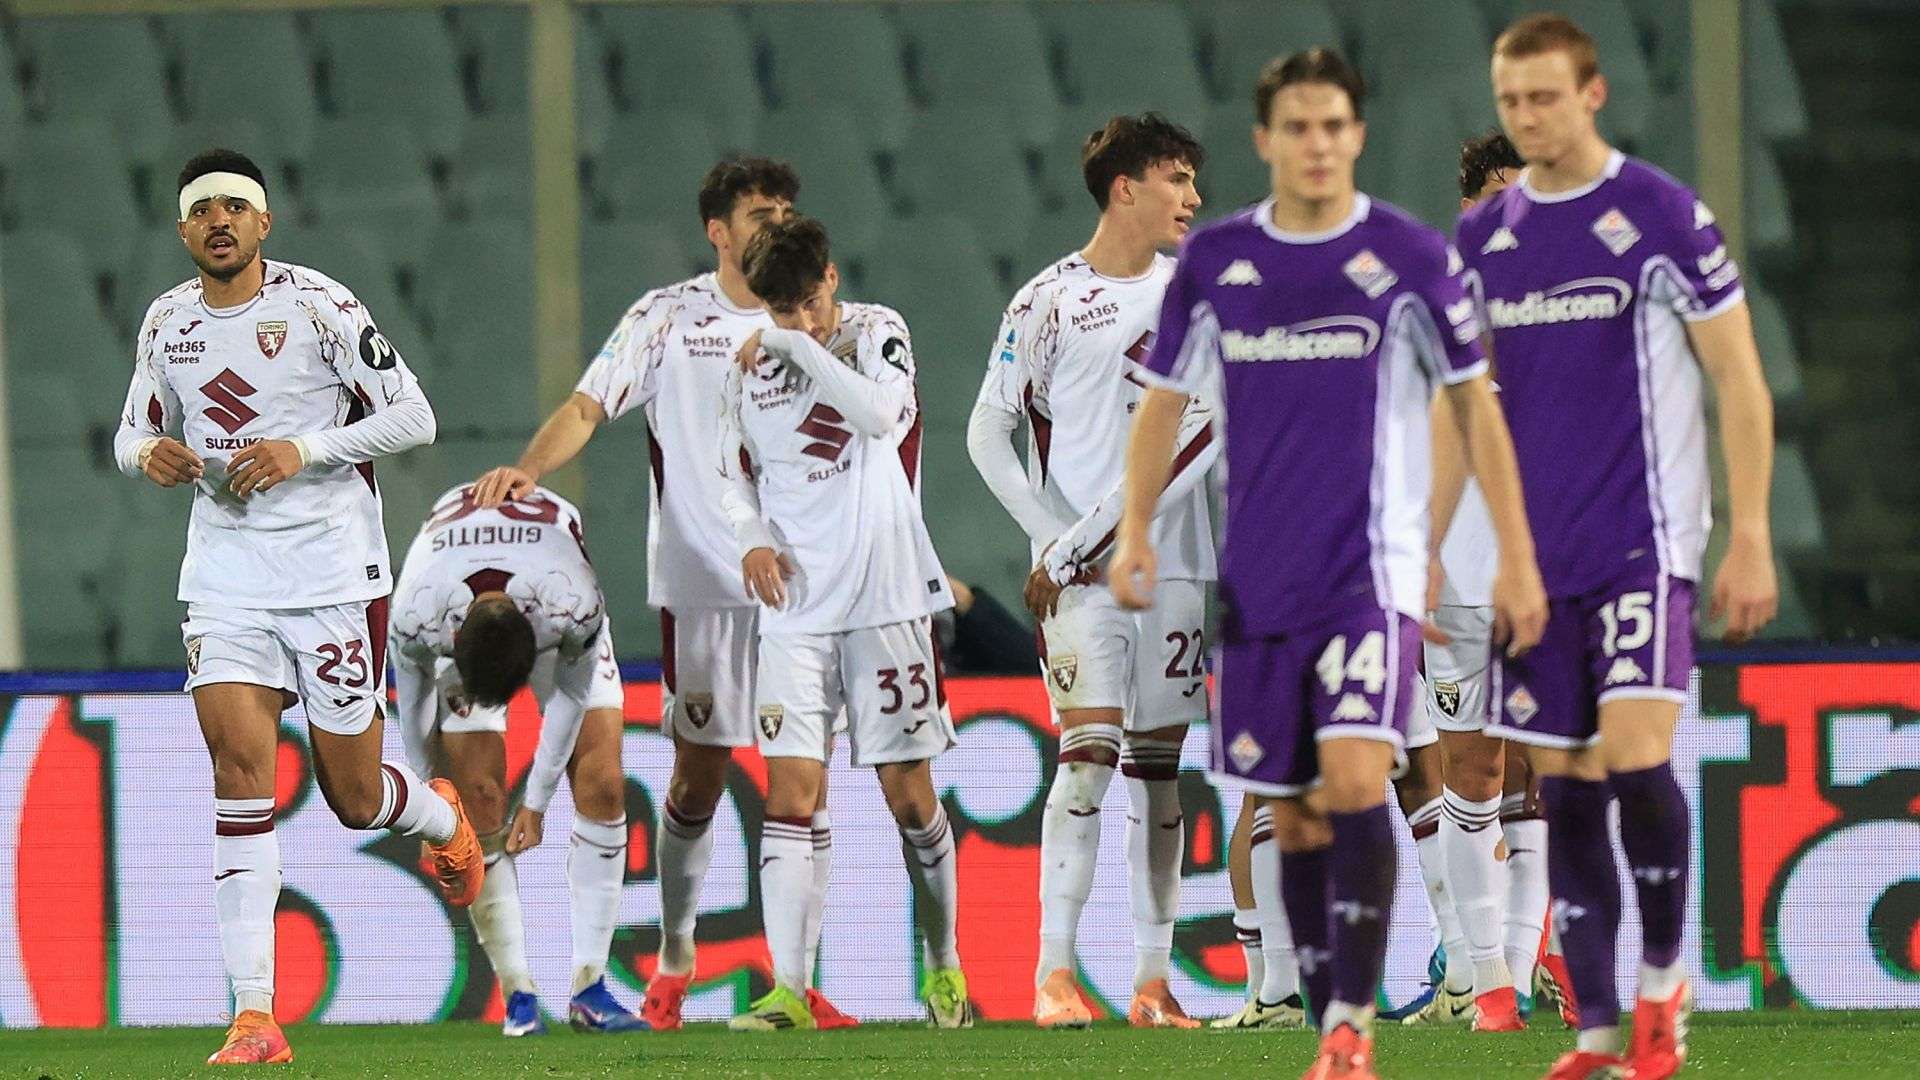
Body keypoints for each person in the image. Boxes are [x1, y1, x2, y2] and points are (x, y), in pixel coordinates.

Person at [1108, 50, 1549, 1080]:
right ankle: (1323, 1005)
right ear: (1266, 140)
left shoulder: (1411, 258)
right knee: (1294, 809)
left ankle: (1349, 1024)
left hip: (1371, 571)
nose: (1316, 144)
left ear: (1357, 136)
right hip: (1258, 580)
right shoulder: (1218, 263)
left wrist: (1505, 551)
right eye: (1297, 127)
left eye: (1334, 126)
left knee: (1356, 780)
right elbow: (1163, 404)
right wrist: (1132, 529)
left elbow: (1473, 406)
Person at [1460, 16, 1777, 1080]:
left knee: (1637, 762)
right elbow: (1462, 404)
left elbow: (1738, 376)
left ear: (1593, 94)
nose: (1527, 117)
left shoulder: (1662, 215)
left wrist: (1751, 533)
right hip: (1535, 563)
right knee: (1567, 790)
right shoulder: (1484, 240)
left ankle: (1660, 981)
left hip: (1648, 542)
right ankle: (1599, 1028)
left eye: (1544, 97)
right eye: (1511, 100)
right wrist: (1426, 550)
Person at [470, 158, 854, 1030]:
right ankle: (676, 957)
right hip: (705, 585)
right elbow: (587, 405)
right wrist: (529, 471)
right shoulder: (669, 317)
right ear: (717, 231)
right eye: (758, 213)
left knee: (805, 782)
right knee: (697, 778)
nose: (775, 224)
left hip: (804, 587)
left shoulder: (817, 316)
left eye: (785, 211)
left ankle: (797, 979)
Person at [114, 149, 476, 1065]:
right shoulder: (166, 320)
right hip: (225, 578)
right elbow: (131, 428)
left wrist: (302, 449)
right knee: (239, 773)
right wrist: (146, 454)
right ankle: (254, 1017)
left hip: (332, 579)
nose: (220, 220)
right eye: (204, 209)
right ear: (183, 230)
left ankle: (440, 818)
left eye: (237, 206)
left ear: (264, 223)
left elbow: (415, 417)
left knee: (354, 798)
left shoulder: (321, 306)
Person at [967, 112, 1221, 1030]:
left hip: (1173, 565)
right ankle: (1053, 976)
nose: (1193, 197)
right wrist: (1051, 539)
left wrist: (1082, 539)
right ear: (1125, 188)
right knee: (1087, 759)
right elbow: (987, 430)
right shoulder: (1048, 300)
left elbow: (1200, 432)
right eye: (1175, 179)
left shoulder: (1196, 294)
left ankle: (1153, 984)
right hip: (1077, 582)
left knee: (1159, 773)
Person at [718, 216, 972, 1031]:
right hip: (794, 608)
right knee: (791, 793)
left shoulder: (877, 332)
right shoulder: (746, 371)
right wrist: (750, 536)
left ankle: (944, 965)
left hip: (885, 600)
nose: (804, 319)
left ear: (831, 278)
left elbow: (879, 414)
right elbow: (733, 471)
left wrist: (793, 345)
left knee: (909, 798)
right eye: (782, 310)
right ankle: (791, 990)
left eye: (811, 301)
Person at [389, 483, 643, 1035]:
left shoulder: (573, 604)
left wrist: (537, 800)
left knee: (602, 783)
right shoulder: (417, 613)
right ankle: (518, 995)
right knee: (477, 799)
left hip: (546, 601)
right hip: (464, 596)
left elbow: (571, 696)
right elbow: (412, 707)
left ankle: (590, 988)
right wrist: (432, 810)